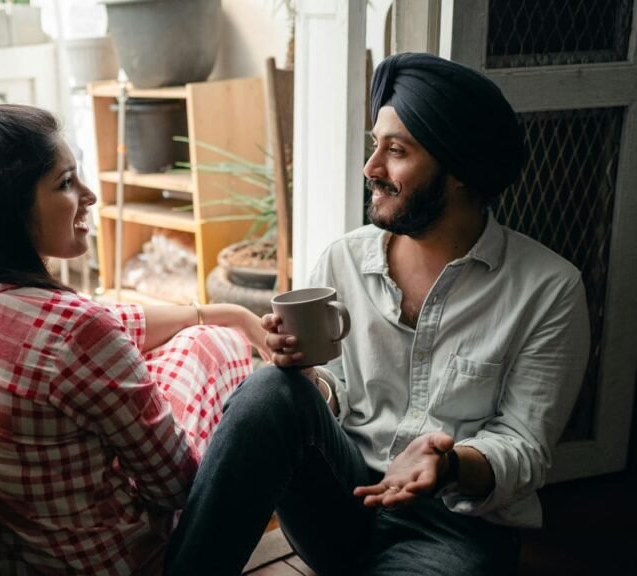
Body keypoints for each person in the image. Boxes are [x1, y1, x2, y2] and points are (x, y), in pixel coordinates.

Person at [164, 53, 591, 575]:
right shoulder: (344, 258)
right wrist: (305, 377)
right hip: (343, 499)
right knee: (269, 390)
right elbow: (332, 388)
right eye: (375, 146)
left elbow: (523, 447)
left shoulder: (549, 288)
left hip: (454, 527)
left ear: (458, 170)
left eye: (397, 151)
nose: (372, 169)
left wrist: (449, 464)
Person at [0, 104, 271, 575]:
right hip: (125, 561)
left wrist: (220, 311)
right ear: (10, 207)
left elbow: (116, 320)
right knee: (212, 346)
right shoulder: (74, 330)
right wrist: (220, 333)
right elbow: (177, 485)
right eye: (65, 183)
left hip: (33, 556)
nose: (89, 196)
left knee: (200, 332)